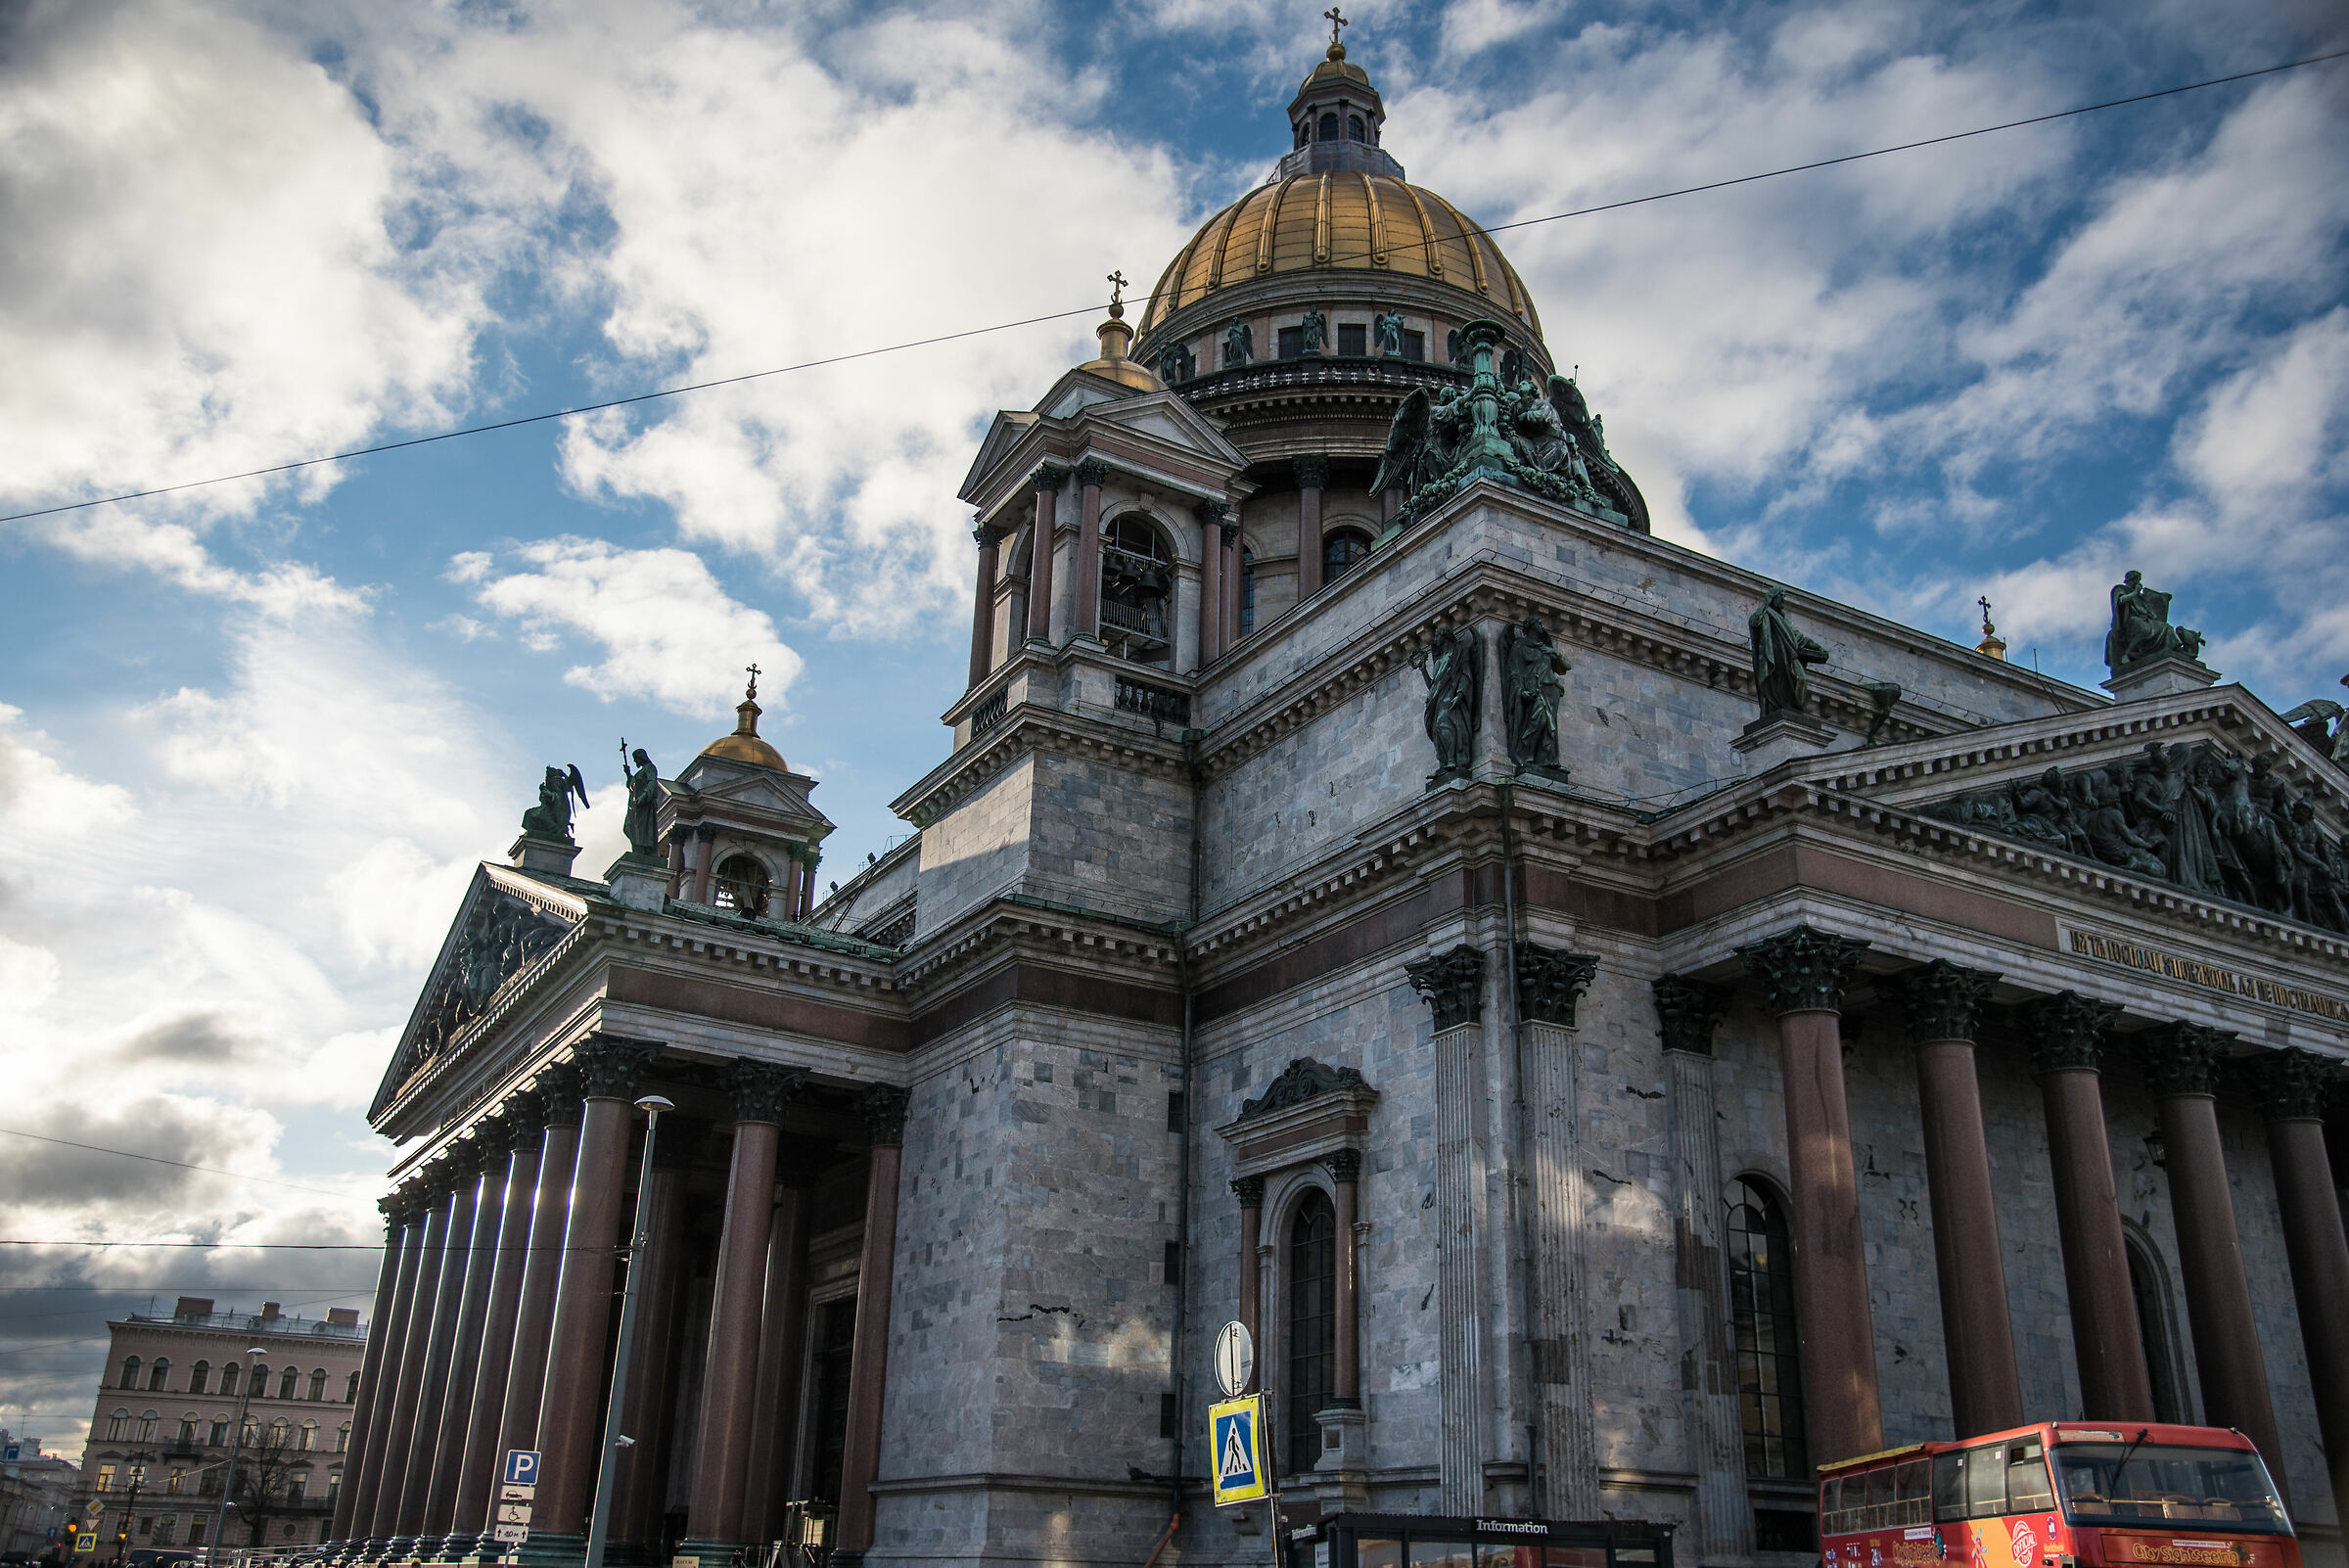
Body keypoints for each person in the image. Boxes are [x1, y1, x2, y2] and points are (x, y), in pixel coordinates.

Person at [1747, 587, 1829, 723]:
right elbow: (1754, 622)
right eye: (1781, 598)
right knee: (1778, 683)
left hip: (1790, 656)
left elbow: (1798, 638)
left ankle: (1793, 710)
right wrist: (1765, 604)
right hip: (1774, 657)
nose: (1783, 602)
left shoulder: (1784, 620)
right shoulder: (1767, 614)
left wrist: (1817, 648)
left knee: (1800, 679)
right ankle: (1779, 709)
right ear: (1774, 597)